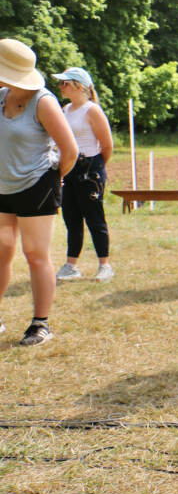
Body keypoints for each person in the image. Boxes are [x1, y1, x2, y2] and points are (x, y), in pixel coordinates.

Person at [0, 39, 78, 346]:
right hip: (2, 185)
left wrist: (54, 177)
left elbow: (69, 150)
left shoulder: (43, 102)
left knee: (35, 255)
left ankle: (40, 324)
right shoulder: (1, 97)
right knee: (1, 252)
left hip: (37, 187)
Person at [52, 67, 114, 282]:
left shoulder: (92, 110)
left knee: (94, 217)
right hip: (68, 169)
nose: (61, 87)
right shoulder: (65, 110)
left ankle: (104, 265)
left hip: (90, 168)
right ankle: (71, 266)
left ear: (79, 86)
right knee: (71, 218)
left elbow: (107, 146)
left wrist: (94, 169)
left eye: (64, 83)